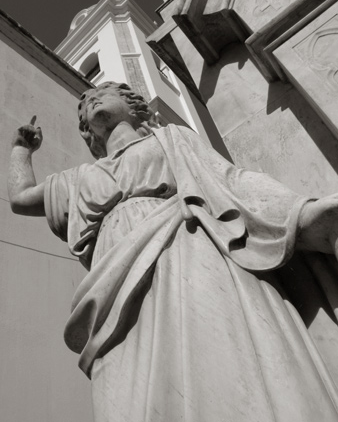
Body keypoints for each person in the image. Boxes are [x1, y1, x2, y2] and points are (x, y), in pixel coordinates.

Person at [8, 81, 338, 422]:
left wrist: (300, 212)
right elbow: (20, 199)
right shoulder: (77, 178)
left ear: (132, 105)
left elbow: (228, 180)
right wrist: (21, 150)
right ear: (85, 132)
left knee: (221, 357)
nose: (91, 101)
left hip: (187, 249)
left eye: (102, 94)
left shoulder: (171, 139)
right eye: (85, 104)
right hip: (112, 281)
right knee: (128, 387)